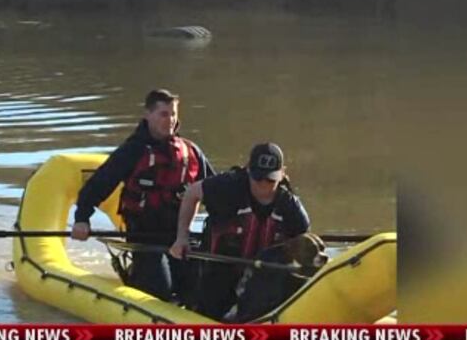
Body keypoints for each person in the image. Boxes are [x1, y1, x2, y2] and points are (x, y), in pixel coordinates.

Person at [71, 89, 214, 301]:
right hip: (143, 238)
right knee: (161, 289)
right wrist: (81, 219)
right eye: (164, 114)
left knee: (199, 287)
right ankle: (138, 277)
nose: (171, 120)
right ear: (148, 115)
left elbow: (216, 191)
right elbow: (98, 185)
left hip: (179, 237)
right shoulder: (132, 151)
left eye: (173, 114)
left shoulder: (190, 152)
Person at [169, 143, 312, 321]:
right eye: (258, 178)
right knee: (210, 303)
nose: (263, 186)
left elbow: (304, 245)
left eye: (270, 180)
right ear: (247, 170)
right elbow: (191, 193)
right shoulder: (228, 186)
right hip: (220, 272)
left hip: (262, 279)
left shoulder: (291, 209)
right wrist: (182, 237)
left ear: (282, 174)